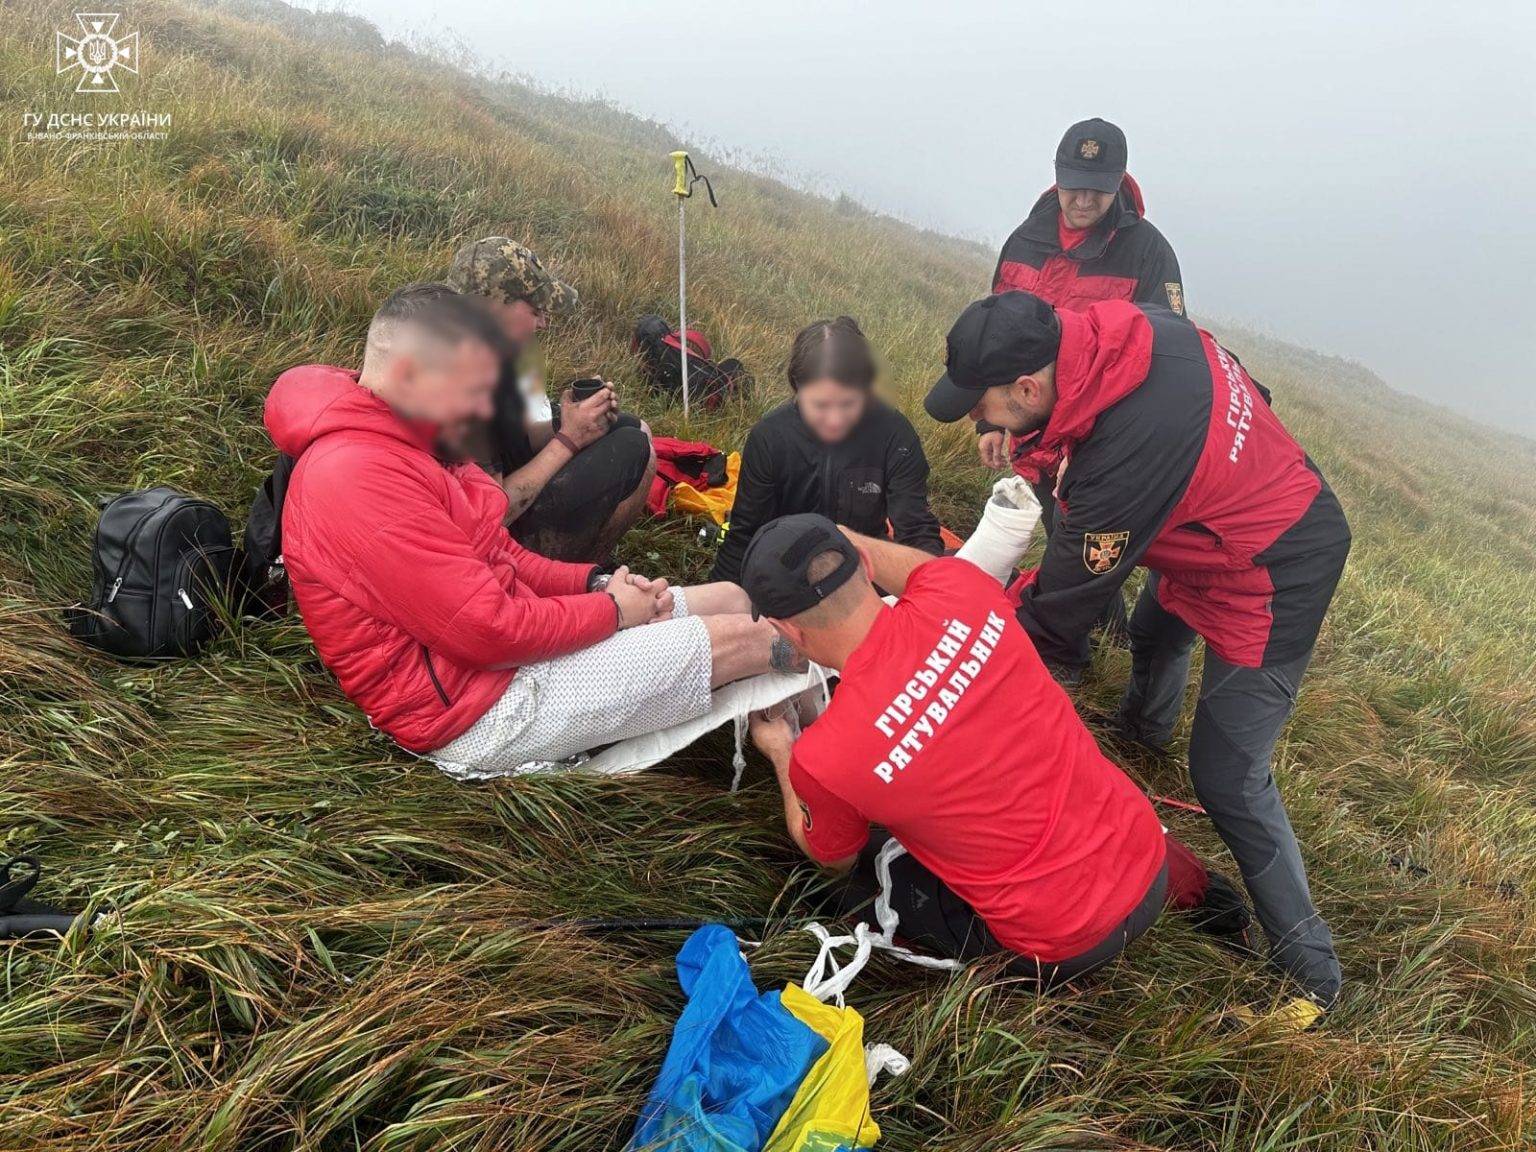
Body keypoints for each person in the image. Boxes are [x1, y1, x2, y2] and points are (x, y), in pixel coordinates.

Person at [924, 290, 1351, 1012]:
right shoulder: (1129, 331)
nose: (976, 420)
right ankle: (1142, 732)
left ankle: (1313, 972)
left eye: (981, 406)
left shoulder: (1126, 462)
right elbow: (1251, 390)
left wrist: (957, 642)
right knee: (1154, 629)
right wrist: (1026, 439)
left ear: (1027, 387)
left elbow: (1060, 613)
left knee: (1229, 777)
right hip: (1209, 523)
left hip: (1277, 567)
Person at [265, 284, 797, 779]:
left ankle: (817, 728)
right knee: (759, 638)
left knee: (732, 598)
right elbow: (486, 630)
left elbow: (501, 552)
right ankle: (831, 758)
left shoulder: (415, 435)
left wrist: (594, 585)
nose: (481, 409)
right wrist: (613, 612)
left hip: (501, 656)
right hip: (471, 711)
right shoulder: (356, 478)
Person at [742, 515, 1250, 988]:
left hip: (1063, 944)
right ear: (868, 566)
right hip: (1147, 858)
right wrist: (845, 540)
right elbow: (923, 570)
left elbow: (833, 857)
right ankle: (1206, 899)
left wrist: (781, 751)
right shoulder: (959, 589)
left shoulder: (826, 758)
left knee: (851, 883)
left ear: (788, 631)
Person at [977, 119, 1187, 636]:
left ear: (1120, 182)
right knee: (1059, 534)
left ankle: (1103, 642)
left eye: (1099, 187)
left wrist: (1103, 445)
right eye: (1074, 184)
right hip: (1033, 428)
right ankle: (1092, 630)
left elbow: (1165, 355)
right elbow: (995, 336)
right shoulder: (1025, 240)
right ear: (1057, 175)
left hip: (1099, 441)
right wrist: (991, 421)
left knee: (1091, 548)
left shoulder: (1149, 252)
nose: (1084, 199)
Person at [445, 236, 655, 564]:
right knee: (632, 446)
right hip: (481, 544)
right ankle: (559, 577)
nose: (543, 322)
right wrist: (570, 438)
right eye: (535, 310)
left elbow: (521, 439)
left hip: (502, 492)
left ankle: (590, 562)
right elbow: (490, 514)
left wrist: (570, 417)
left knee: (633, 429)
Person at [709, 316, 943, 584]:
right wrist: (722, 589)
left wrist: (934, 587)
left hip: (863, 569)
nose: (834, 421)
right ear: (797, 388)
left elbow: (916, 531)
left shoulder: (894, 434)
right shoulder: (770, 437)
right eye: (820, 405)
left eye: (848, 404)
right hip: (787, 570)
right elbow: (744, 534)